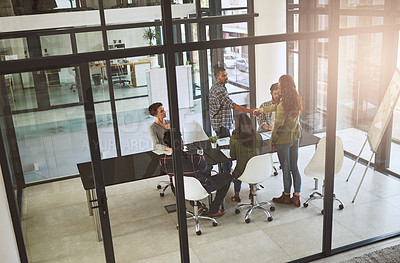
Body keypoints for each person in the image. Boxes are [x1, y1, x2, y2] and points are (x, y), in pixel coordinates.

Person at [254, 75, 303, 207]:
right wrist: (262, 110)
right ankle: (297, 196)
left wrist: (272, 141)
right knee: (295, 166)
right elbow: (275, 107)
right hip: (295, 137)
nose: (279, 88)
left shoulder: (283, 105)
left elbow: (278, 127)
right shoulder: (296, 99)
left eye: (280, 86)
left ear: (284, 87)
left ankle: (286, 196)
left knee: (286, 168)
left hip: (284, 140)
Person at [159, 130, 231, 218]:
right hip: (201, 188)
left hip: (180, 190)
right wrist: (203, 161)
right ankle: (214, 210)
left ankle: (198, 205)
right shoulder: (195, 159)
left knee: (187, 180)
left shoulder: (163, 161)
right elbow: (208, 169)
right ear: (180, 142)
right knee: (227, 176)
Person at [209, 65, 259, 172]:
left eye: (226, 74)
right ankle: (226, 172)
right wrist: (250, 111)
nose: (226, 77)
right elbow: (232, 105)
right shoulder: (219, 90)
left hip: (220, 123)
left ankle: (225, 169)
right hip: (222, 124)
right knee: (226, 149)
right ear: (217, 77)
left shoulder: (218, 86)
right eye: (223, 75)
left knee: (224, 147)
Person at [230, 114, 263, 202]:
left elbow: (233, 156)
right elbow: (260, 152)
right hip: (258, 170)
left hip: (242, 171)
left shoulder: (234, 138)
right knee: (251, 167)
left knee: (238, 171)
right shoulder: (258, 136)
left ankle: (237, 194)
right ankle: (252, 190)